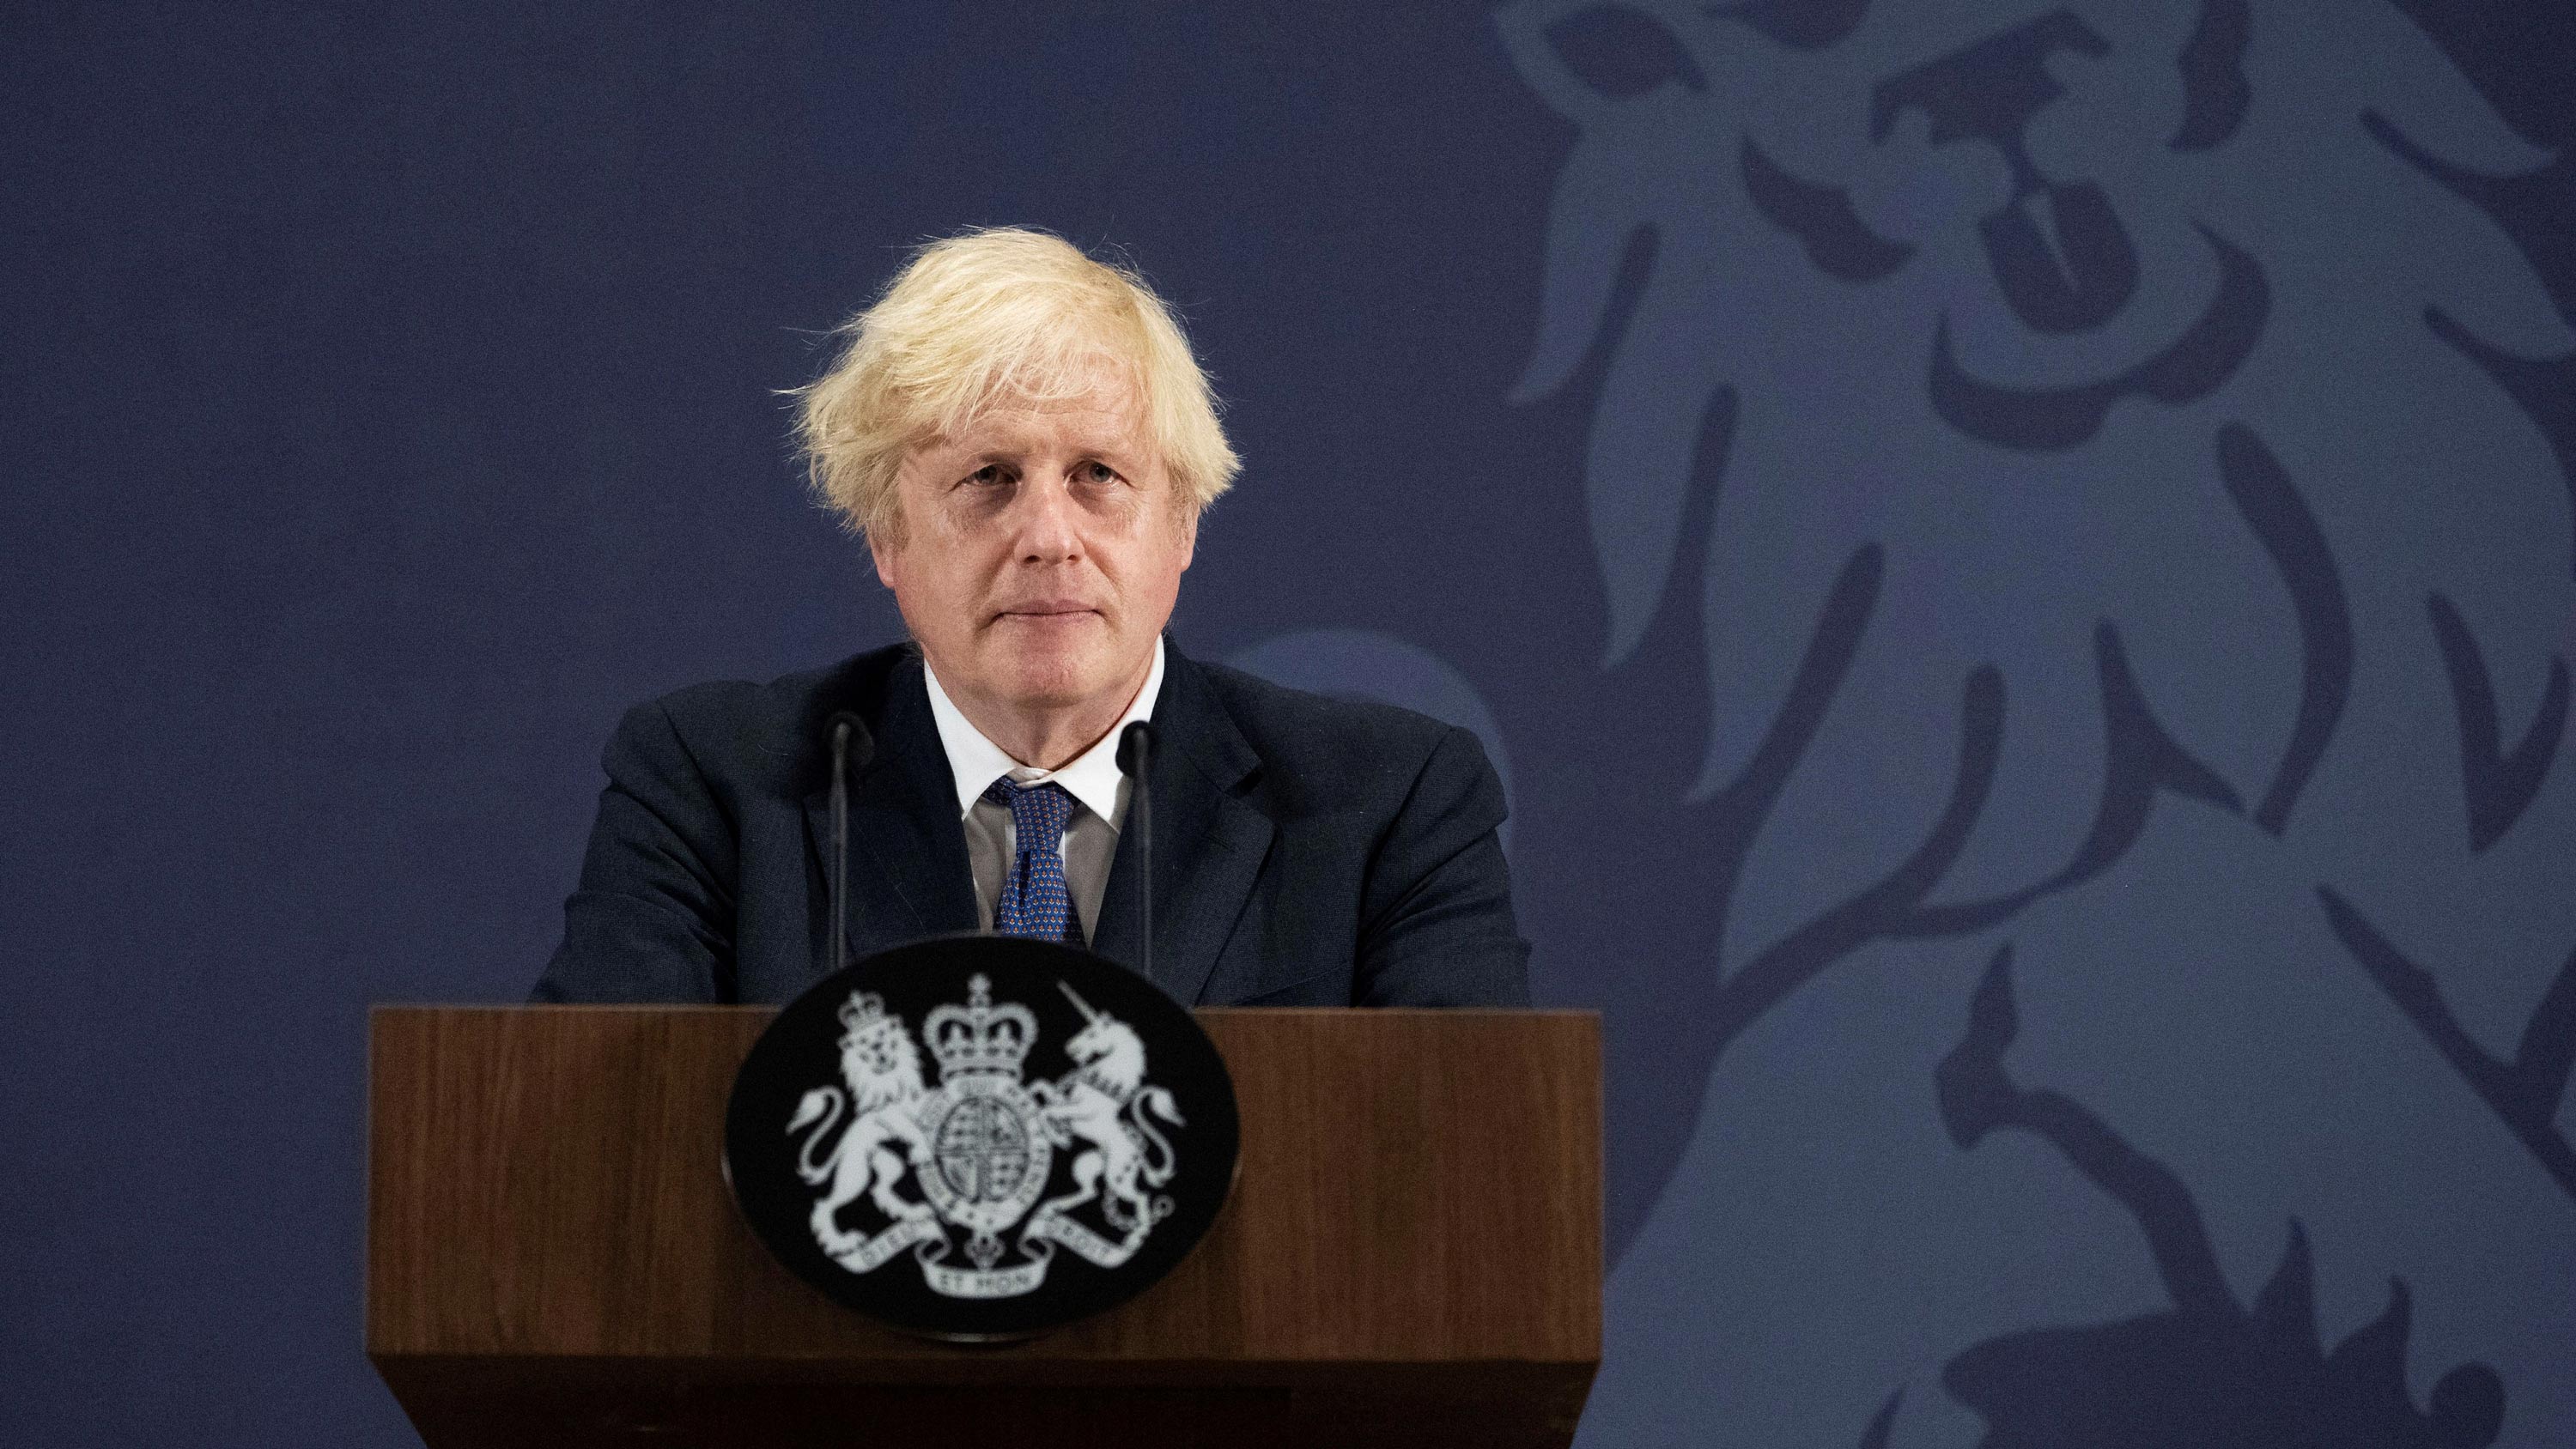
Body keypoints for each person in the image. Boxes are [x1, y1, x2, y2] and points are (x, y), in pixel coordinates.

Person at [532, 227, 1529, 1008]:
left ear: (1180, 521)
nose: (1048, 536)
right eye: (989, 477)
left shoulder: (1389, 805)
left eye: (1098, 474)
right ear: (887, 535)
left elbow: (1468, 1185)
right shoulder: (711, 787)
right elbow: (591, 1149)